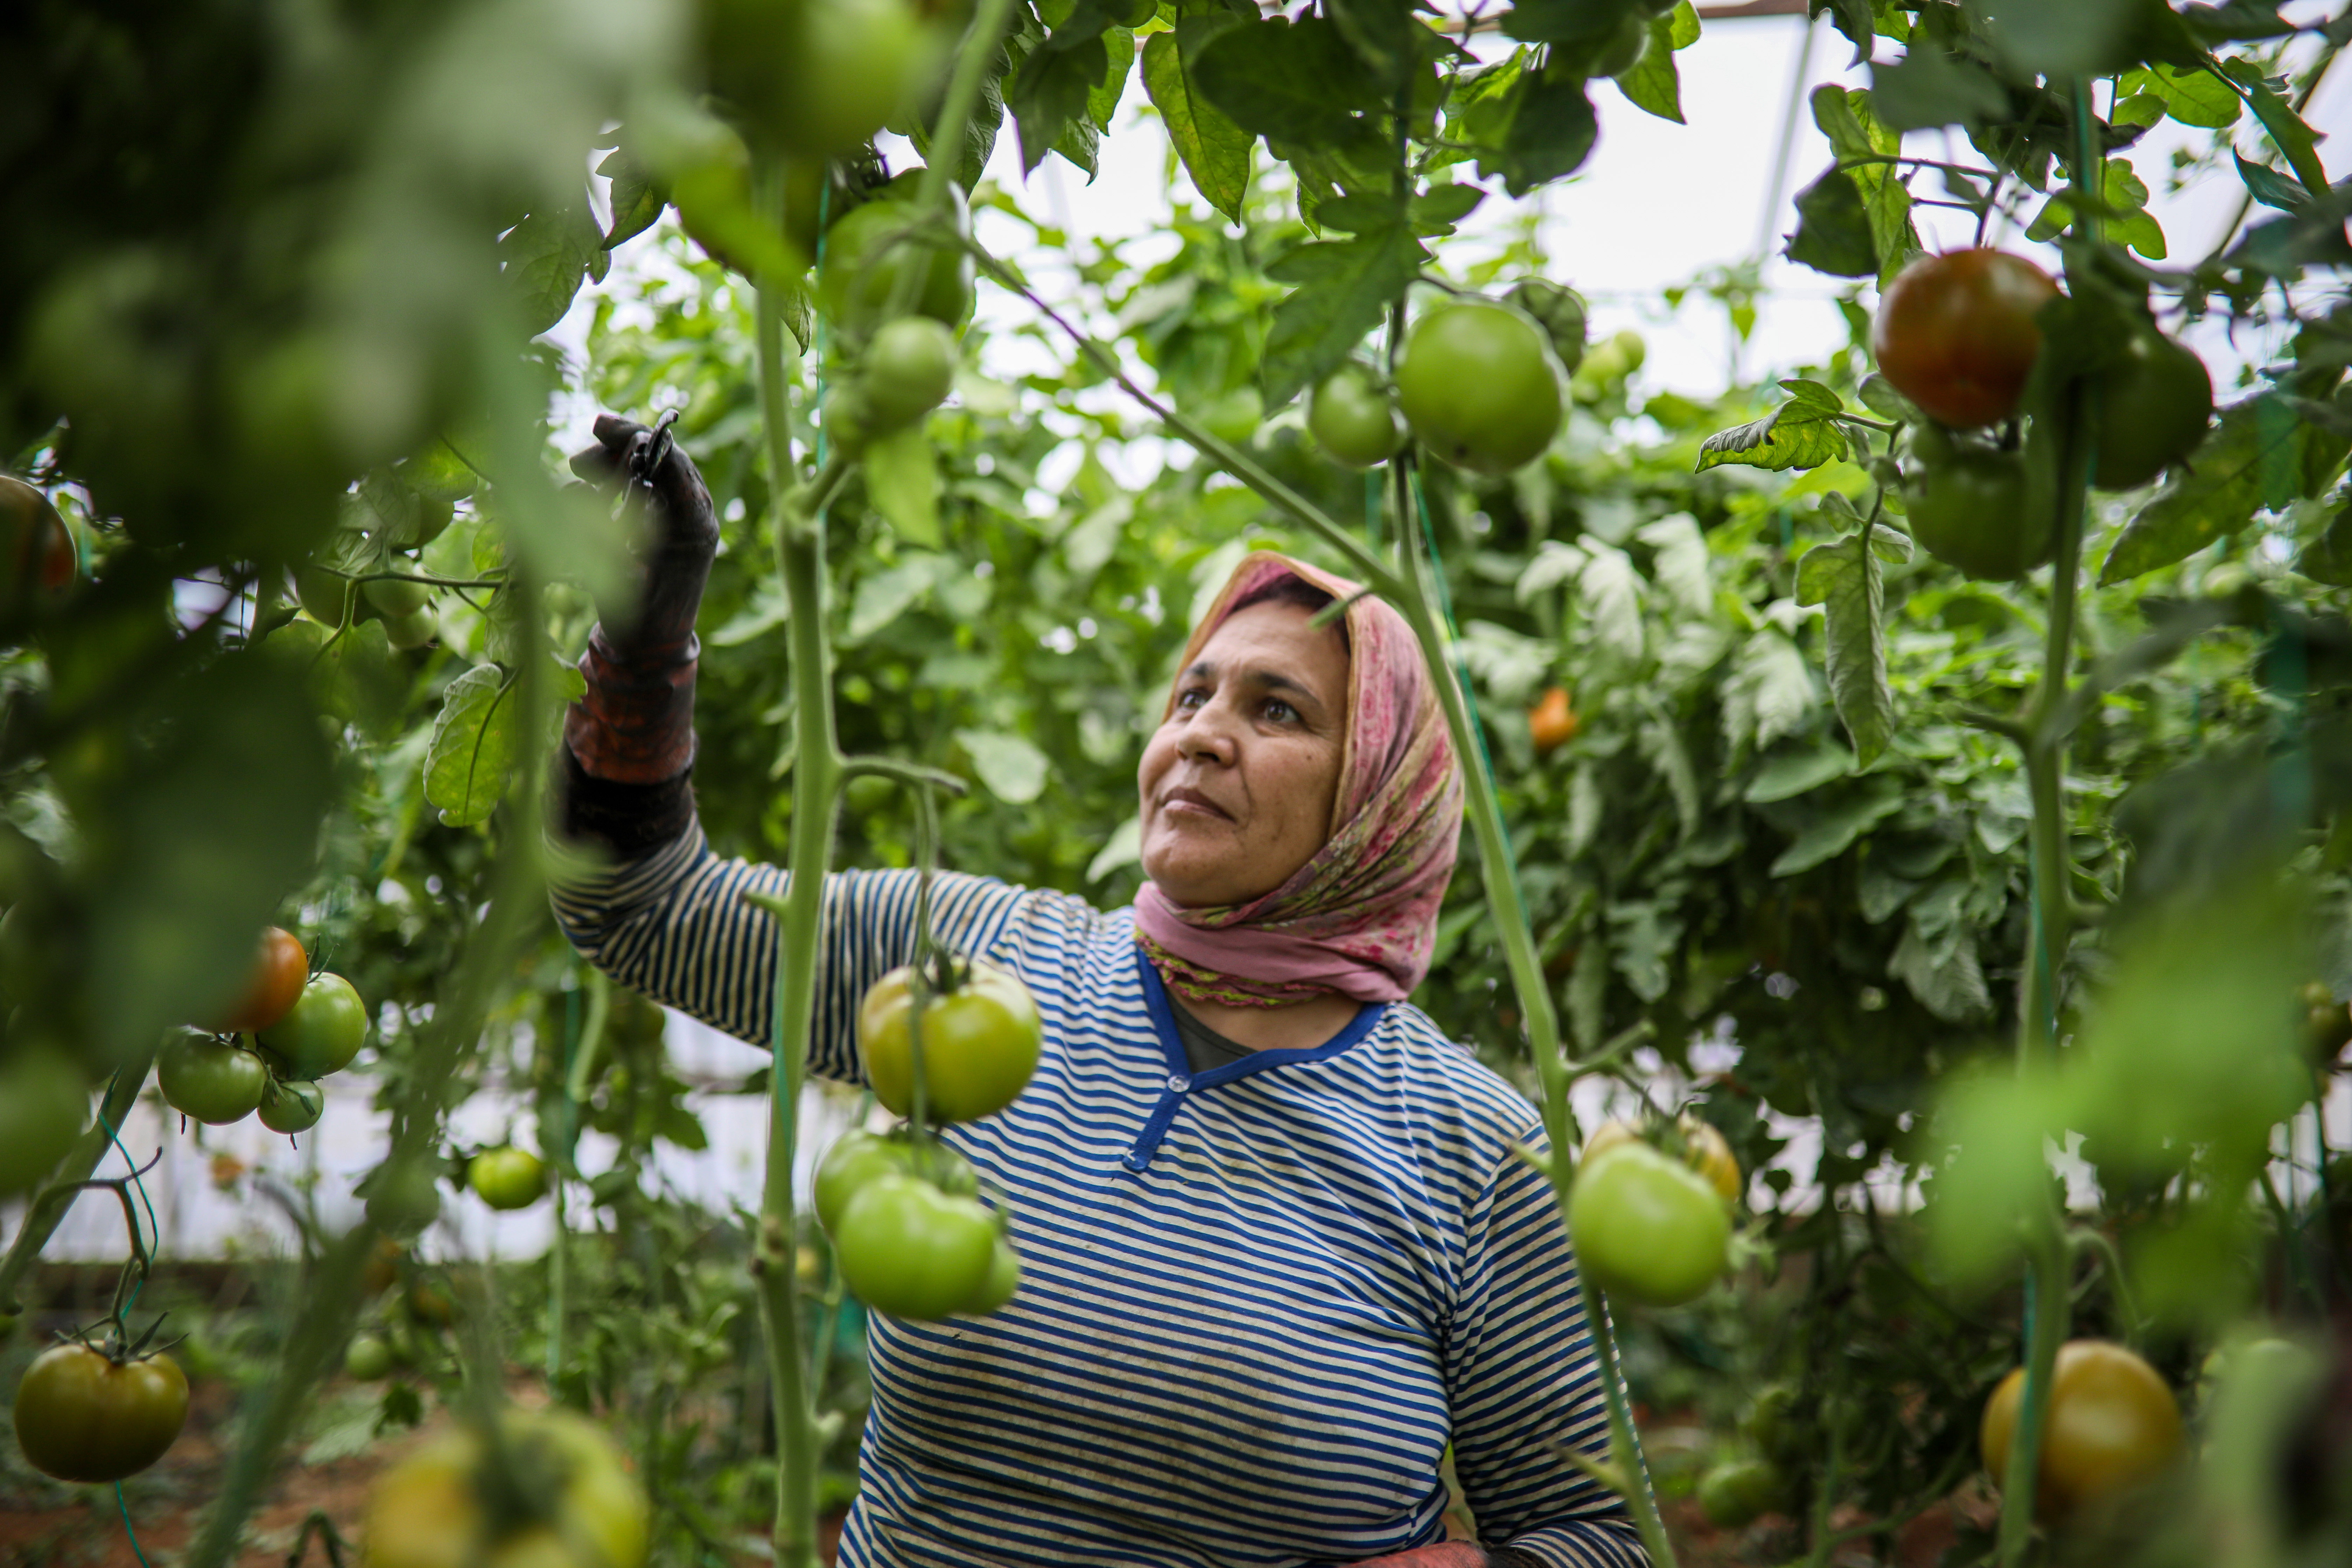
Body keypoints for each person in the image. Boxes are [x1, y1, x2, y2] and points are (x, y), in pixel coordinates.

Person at [554, 415, 1647, 1568]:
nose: (1202, 738)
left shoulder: (1476, 1150)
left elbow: (1593, 1531)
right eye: (1192, 698)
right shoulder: (970, 960)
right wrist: (648, 631)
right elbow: (640, 910)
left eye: (1277, 711)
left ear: (1381, 797)